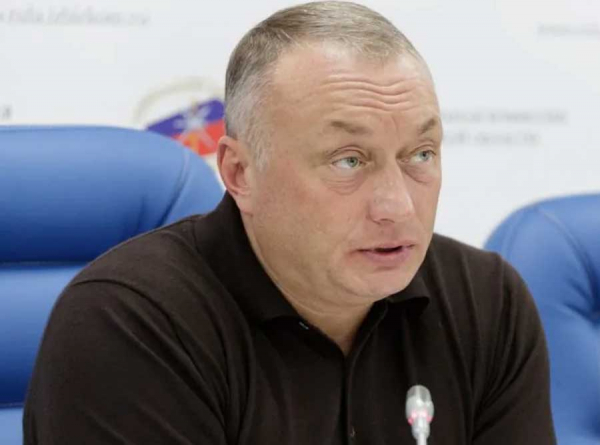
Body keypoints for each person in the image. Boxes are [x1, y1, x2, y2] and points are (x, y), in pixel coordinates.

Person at [23, 2, 556, 444]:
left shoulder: (487, 302)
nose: (397, 206)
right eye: (349, 160)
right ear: (240, 173)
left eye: (420, 154)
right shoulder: (131, 324)